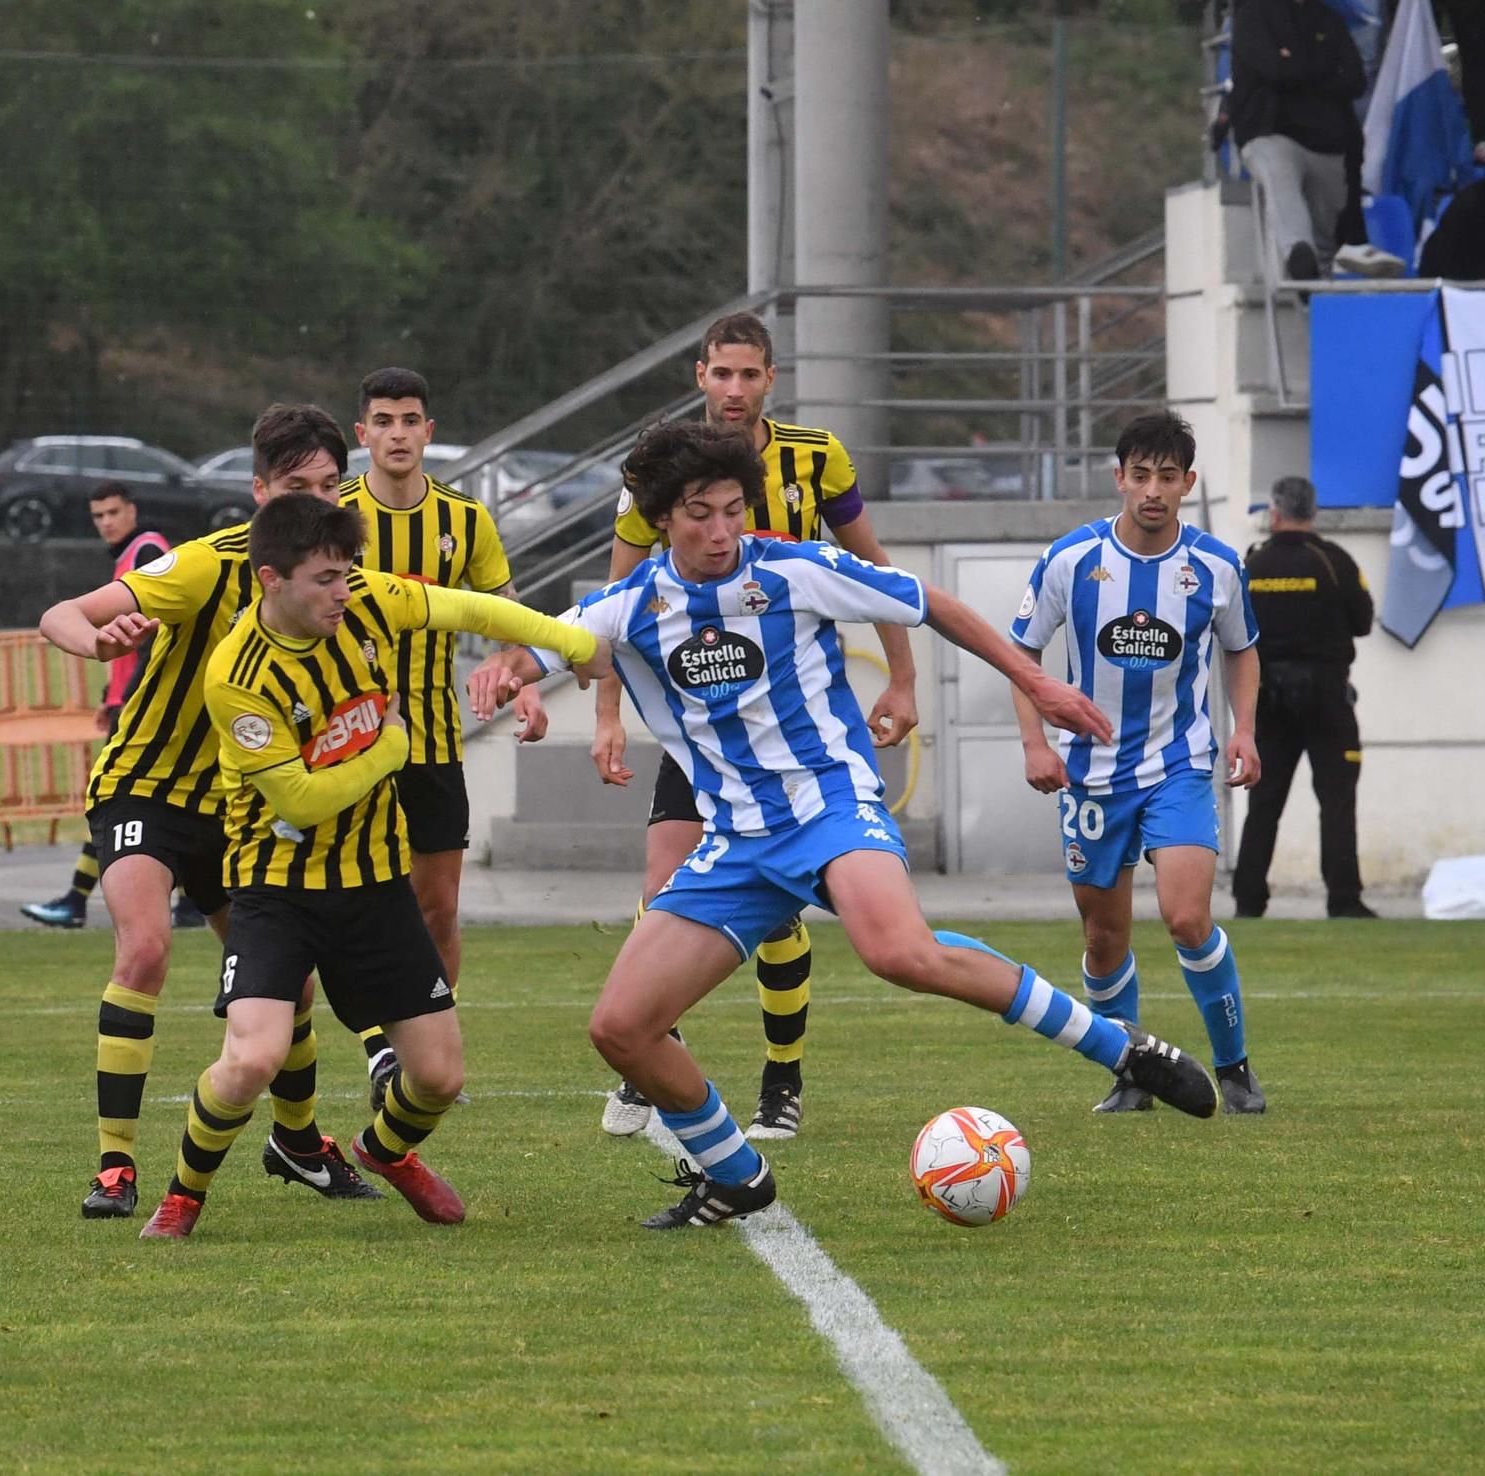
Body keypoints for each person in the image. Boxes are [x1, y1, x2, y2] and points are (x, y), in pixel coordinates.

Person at [468, 422, 1218, 1230]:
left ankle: (1122, 1047)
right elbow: (540, 647)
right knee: (621, 1028)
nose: (721, 531)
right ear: (660, 520)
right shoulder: (628, 606)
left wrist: (1038, 684)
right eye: (699, 515)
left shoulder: (797, 568)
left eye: (732, 510)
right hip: (736, 840)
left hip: (830, 803)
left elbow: (928, 602)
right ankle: (734, 1174)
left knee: (898, 951)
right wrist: (506, 673)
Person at [137, 492, 611, 1240]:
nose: (343, 591)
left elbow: (475, 611)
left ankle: (384, 1152)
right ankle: (183, 1195)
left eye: (348, 572)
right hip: (276, 892)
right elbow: (300, 794)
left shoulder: (369, 601)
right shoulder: (236, 674)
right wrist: (392, 748)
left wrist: (571, 644)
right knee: (252, 1059)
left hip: (375, 883)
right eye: (325, 578)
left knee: (439, 1078)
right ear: (271, 580)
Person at [37, 406, 377, 1220]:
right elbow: (61, 615)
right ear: (259, 493)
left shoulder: (339, 579)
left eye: (330, 487)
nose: (316, 504)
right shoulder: (206, 566)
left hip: (242, 812)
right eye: (298, 488)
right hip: (148, 788)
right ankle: (115, 1168)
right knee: (147, 949)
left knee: (287, 984)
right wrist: (103, 640)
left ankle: (297, 1141)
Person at [590, 310, 921, 1143]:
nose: (734, 389)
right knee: (664, 887)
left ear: (772, 378)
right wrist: (606, 715)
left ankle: (783, 1078)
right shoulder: (659, 470)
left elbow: (875, 567)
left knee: (780, 911)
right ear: (699, 376)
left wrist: (905, 678)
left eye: (749, 374)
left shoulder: (816, 456)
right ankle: (649, 1054)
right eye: (720, 373)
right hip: (700, 713)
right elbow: (609, 605)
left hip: (794, 714)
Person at [1008, 411, 1267, 1116]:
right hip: (1090, 774)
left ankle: (1234, 1067)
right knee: (1103, 935)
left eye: (1168, 477)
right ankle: (1133, 1071)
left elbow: (1241, 648)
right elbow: (1021, 655)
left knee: (1187, 918)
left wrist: (1244, 731)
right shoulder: (1070, 560)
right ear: (1119, 478)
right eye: (1140, 475)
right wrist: (1035, 743)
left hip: (1179, 764)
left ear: (1188, 483)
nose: (1153, 489)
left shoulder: (1214, 565)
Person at [340, 366, 541, 1109]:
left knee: (437, 909)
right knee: (352, 899)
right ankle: (378, 1049)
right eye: (383, 421)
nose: (397, 433)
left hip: (432, 743)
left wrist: (512, 672)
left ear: (430, 431)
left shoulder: (465, 521)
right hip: (345, 745)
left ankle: (422, 1041)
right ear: (362, 435)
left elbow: (508, 623)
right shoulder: (334, 515)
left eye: (410, 420)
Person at [21, 481, 172, 931]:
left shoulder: (148, 552)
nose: (106, 523)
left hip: (145, 704)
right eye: (98, 516)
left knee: (113, 795)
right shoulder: (131, 556)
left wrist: (130, 699)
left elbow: (157, 631)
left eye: (112, 512)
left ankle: (76, 899)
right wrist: (112, 698)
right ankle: (81, 899)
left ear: (132, 511)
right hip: (129, 702)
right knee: (145, 797)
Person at [1232, 475, 1377, 918]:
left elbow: (1233, 630)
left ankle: (1249, 900)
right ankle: (1344, 899)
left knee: (1264, 802)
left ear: (1274, 513)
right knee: (1337, 801)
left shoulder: (1251, 565)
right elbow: (1363, 621)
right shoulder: (1335, 561)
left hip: (1269, 701)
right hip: (1327, 699)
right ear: (1313, 513)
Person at [1231, 0, 1367, 279]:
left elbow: (1355, 79)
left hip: (1328, 143)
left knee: (1327, 237)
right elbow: (1273, 69)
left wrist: (1293, 64)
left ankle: (1314, 287)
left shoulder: (1329, 19)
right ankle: (1298, 254)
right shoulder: (1252, 16)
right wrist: (1325, 68)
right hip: (1271, 132)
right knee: (1282, 184)